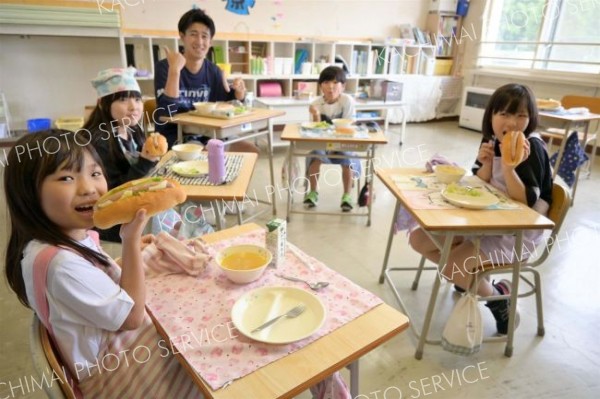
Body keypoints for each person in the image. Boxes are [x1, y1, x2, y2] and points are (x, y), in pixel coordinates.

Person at [3, 130, 202, 397]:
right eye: (67, 178)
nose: (88, 188)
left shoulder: (62, 239)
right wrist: (130, 241)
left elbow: (92, 275)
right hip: (116, 376)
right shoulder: (60, 265)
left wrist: (131, 249)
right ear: (27, 192)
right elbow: (132, 317)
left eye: (95, 173)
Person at [408, 83, 553, 335]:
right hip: (484, 222)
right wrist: (485, 163)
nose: (513, 122)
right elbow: (479, 181)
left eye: (521, 115)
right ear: (492, 116)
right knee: (419, 238)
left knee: (452, 266)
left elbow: (526, 203)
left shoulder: (533, 148)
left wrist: (509, 167)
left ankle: (499, 299)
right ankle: (474, 282)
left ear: (530, 118)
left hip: (515, 234)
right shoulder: (492, 139)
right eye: (504, 114)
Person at [154, 8, 258, 153]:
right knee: (211, 157)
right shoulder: (165, 67)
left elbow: (225, 103)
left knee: (251, 151)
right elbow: (166, 112)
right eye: (193, 34)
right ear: (182, 36)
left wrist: (238, 93)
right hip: (175, 137)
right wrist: (175, 71)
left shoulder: (214, 71)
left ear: (210, 42)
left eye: (204, 36)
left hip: (208, 135)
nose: (199, 41)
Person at [84, 67, 161, 242]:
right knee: (171, 226)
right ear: (103, 103)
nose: (134, 106)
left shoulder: (131, 129)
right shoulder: (98, 141)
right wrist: (145, 162)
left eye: (137, 99)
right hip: (112, 221)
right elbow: (112, 193)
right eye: (123, 99)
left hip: (135, 203)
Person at [304, 66, 361, 212]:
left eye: (335, 83)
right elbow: (315, 130)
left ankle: (347, 195)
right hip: (322, 143)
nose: (331, 87)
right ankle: (313, 192)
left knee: (347, 159)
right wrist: (316, 115)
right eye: (327, 82)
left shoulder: (347, 101)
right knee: (315, 155)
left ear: (343, 86)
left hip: (343, 142)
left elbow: (349, 125)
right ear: (320, 86)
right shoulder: (315, 103)